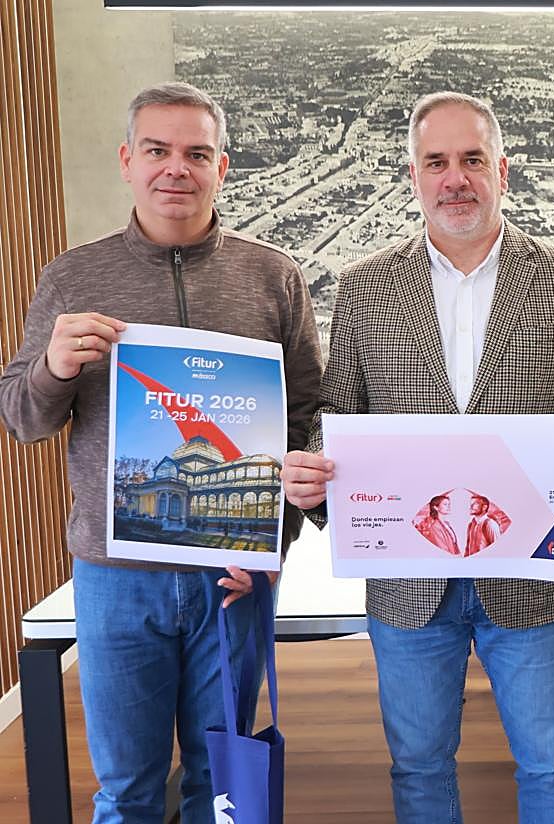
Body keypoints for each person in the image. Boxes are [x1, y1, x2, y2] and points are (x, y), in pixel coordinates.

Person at [280, 91, 554, 823]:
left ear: (502, 169)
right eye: (436, 162)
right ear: (414, 175)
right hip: (408, 578)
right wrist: (313, 463)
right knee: (418, 766)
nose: (455, 178)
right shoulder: (367, 285)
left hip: (527, 570)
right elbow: (338, 411)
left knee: (548, 761)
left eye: (472, 160)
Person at [0, 82, 322, 823]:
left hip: (232, 576)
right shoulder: (73, 277)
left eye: (196, 153)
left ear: (222, 167)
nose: (176, 168)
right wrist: (53, 367)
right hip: (116, 579)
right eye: (157, 150)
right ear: (127, 161)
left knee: (222, 780)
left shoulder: (273, 276)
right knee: (127, 789)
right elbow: (20, 419)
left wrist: (274, 542)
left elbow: (308, 420)